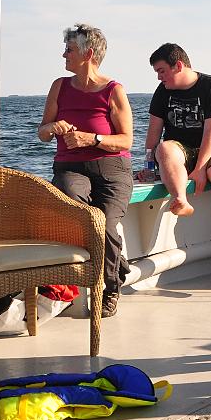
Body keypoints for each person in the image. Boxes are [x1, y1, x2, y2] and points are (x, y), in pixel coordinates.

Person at [38, 24, 134, 318]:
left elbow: (126, 140)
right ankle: (117, 263)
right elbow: (42, 133)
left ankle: (111, 287)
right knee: (76, 207)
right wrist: (52, 127)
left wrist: (92, 139)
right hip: (70, 167)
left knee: (105, 224)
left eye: (69, 50)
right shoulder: (59, 86)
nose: (64, 55)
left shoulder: (114, 91)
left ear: (88, 54)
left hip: (112, 169)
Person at [141, 43, 211, 279]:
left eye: (161, 71)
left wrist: (200, 169)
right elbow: (153, 134)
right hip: (180, 148)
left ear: (178, 66)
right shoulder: (162, 91)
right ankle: (181, 199)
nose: (159, 77)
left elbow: (210, 134)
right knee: (164, 148)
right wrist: (148, 167)